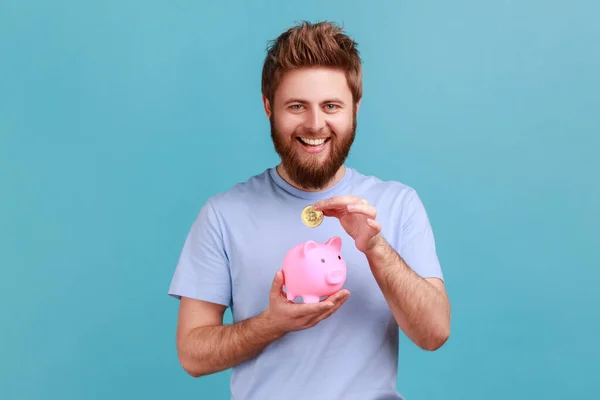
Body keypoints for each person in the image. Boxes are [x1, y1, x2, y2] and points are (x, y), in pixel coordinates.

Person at [168, 20, 451, 400]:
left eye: (331, 106)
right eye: (297, 106)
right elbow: (192, 355)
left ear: (355, 108)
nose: (315, 125)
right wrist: (272, 324)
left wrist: (376, 248)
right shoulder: (223, 215)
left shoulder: (398, 204)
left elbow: (434, 333)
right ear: (269, 107)